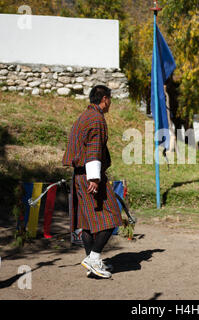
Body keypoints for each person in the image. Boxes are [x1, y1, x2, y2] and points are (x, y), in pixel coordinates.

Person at [62, 85, 123, 279]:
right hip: (90, 177)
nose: (110, 103)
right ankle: (94, 258)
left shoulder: (84, 116)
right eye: (110, 99)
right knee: (112, 215)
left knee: (88, 222)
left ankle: (92, 262)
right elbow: (93, 149)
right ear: (105, 99)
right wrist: (94, 178)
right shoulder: (96, 119)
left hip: (80, 176)